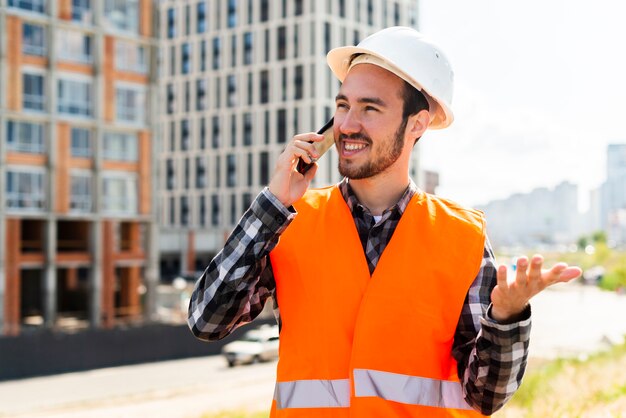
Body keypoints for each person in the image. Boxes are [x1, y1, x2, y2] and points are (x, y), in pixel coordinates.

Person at [187, 26, 581, 417]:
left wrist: (506, 318)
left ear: (417, 125)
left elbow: (485, 396)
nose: (347, 125)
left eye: (369, 108)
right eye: (343, 105)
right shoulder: (290, 222)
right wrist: (272, 203)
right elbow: (207, 320)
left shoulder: (462, 236)